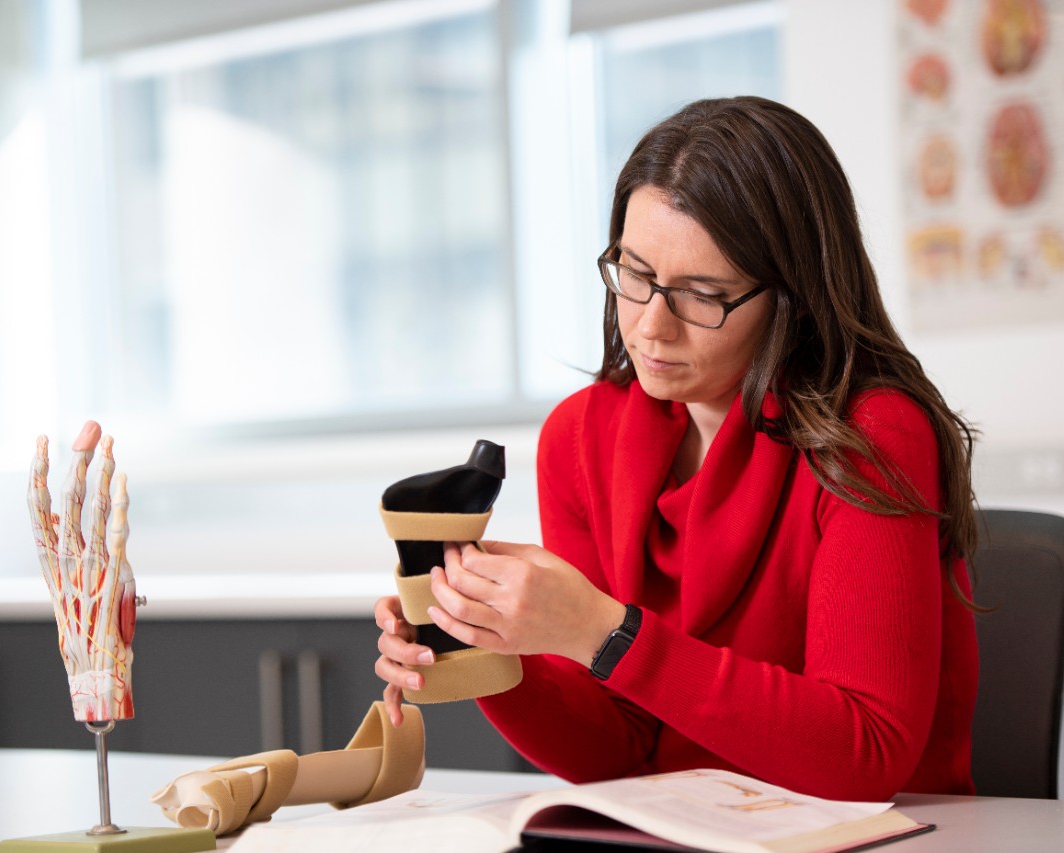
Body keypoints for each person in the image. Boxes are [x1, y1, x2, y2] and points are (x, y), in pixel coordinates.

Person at [373, 96, 979, 801]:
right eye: (635, 274)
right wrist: (485, 641)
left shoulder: (872, 434)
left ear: (796, 296)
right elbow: (620, 747)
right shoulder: (579, 438)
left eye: (702, 294)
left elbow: (866, 754)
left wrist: (607, 632)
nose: (652, 326)